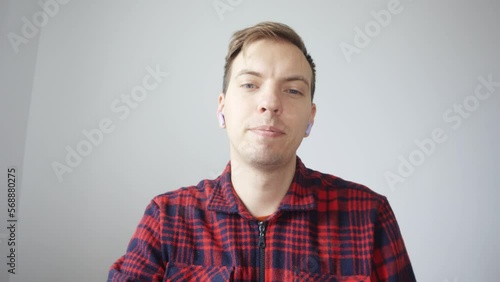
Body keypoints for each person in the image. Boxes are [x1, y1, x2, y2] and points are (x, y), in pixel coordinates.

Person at [108, 21, 416, 281]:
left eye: (292, 90)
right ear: (222, 108)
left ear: (310, 117)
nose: (270, 103)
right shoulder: (167, 218)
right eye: (250, 85)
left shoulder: (368, 215)